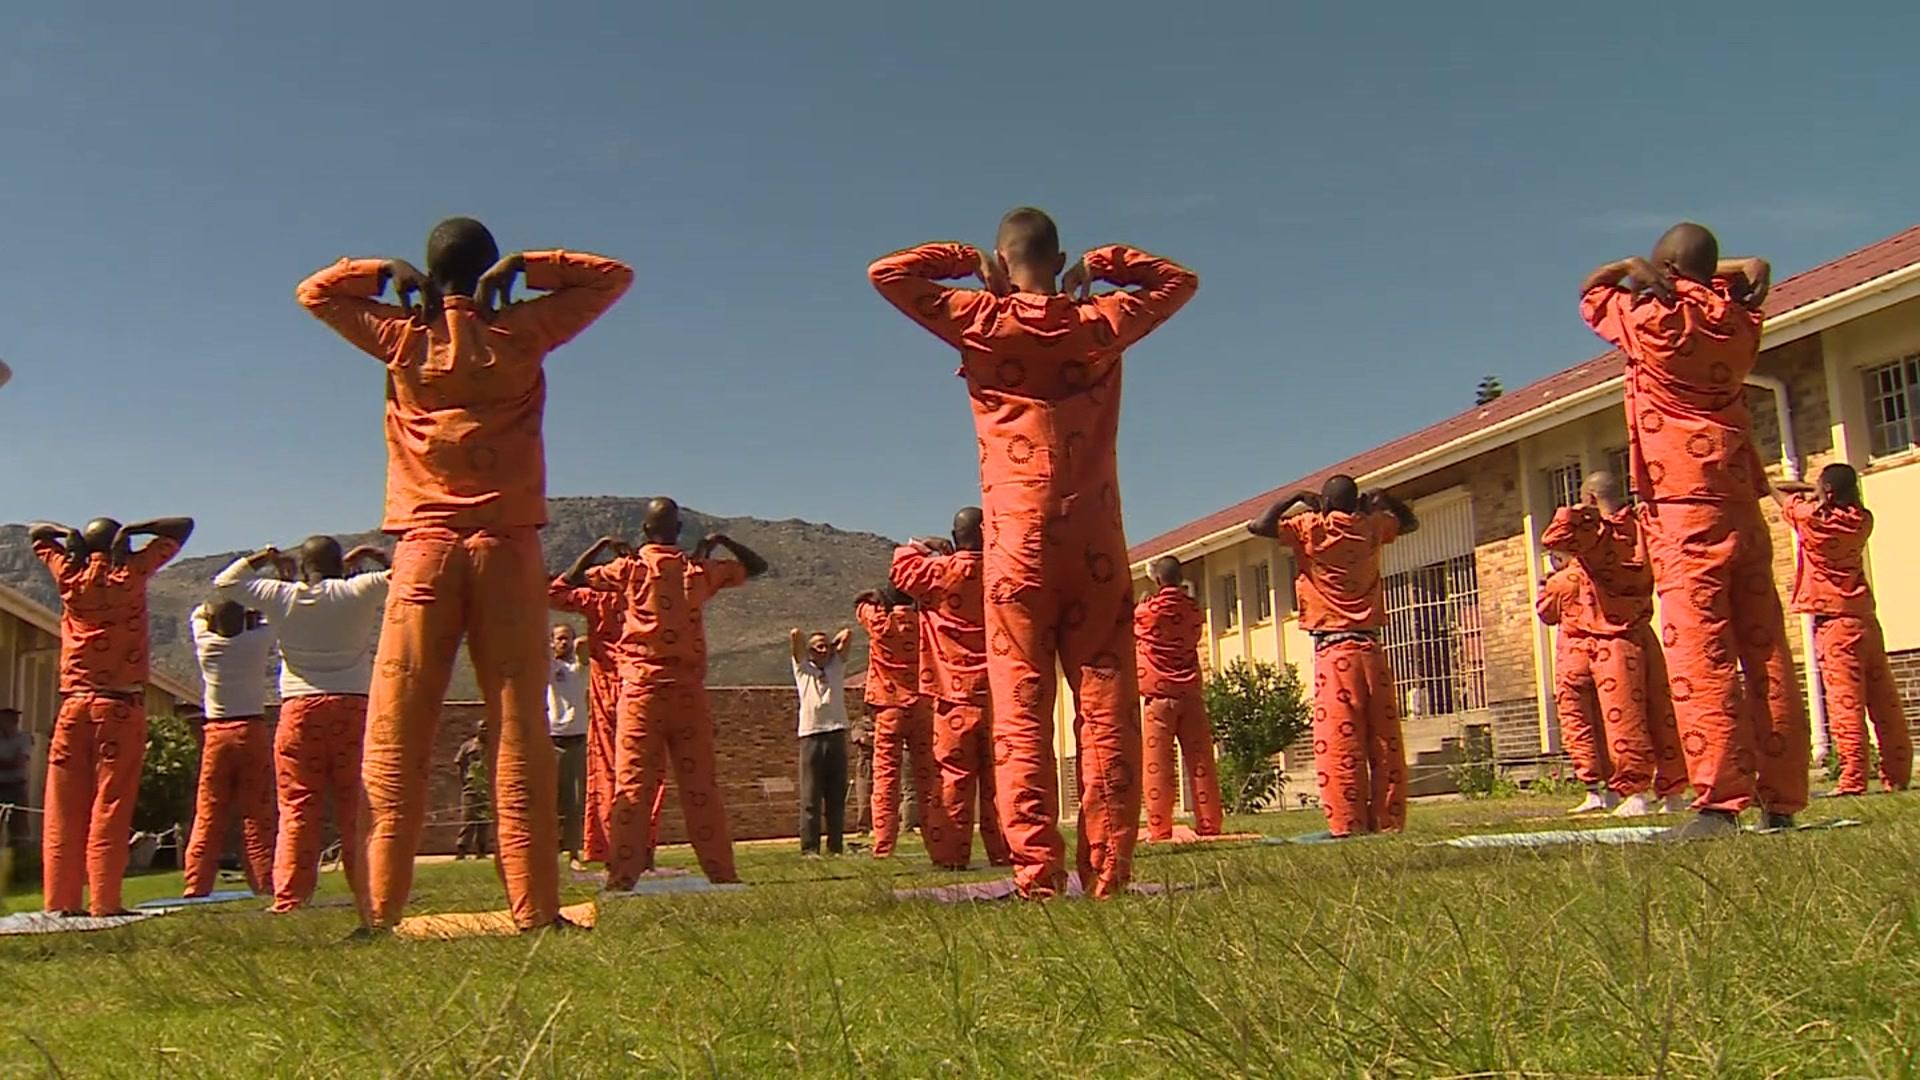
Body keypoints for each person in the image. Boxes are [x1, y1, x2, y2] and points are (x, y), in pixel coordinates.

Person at [297, 217, 632, 931]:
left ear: (428, 272)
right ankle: (535, 907)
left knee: (396, 732)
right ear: (488, 273)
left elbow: (314, 294)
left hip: (424, 549)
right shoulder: (521, 332)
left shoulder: (401, 336)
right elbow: (612, 276)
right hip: (508, 550)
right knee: (520, 733)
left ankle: (379, 912)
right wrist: (530, 267)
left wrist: (381, 274)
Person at [870, 208, 1198, 898]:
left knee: (1019, 707)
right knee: (1107, 701)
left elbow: (888, 274)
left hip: (1015, 541)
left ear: (1000, 256)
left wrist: (968, 263)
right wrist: (1103, 264)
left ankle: (1037, 874)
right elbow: (1177, 282)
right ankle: (1109, 871)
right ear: (1061, 257)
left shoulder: (980, 318)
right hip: (1096, 539)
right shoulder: (1100, 321)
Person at [1579, 223, 1810, 836]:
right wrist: (1740, 264)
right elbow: (1737, 276)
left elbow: (1590, 293)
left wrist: (1631, 266)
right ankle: (1781, 798)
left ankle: (1718, 801)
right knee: (1764, 649)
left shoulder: (1652, 320)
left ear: (1660, 270)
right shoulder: (1737, 321)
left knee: (1699, 654)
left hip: (1683, 504)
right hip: (1739, 498)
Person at [567, 498, 768, 888]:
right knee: (701, 788)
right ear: (679, 532)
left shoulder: (628, 569)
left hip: (641, 691)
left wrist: (602, 547)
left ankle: (622, 878)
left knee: (632, 787)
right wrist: (723, 540)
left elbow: (572, 579)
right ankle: (722, 876)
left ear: (644, 532)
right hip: (688, 692)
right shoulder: (696, 571)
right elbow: (758, 567)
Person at [25, 515, 193, 915]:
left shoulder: (69, 574)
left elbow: (37, 533)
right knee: (110, 805)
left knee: (63, 809)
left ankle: (60, 901)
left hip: (73, 706)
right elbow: (183, 526)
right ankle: (104, 901)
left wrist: (70, 538)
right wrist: (133, 533)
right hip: (118, 705)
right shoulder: (130, 573)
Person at [215, 539, 389, 912]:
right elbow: (407, 579)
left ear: (303, 566)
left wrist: (265, 558)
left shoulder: (282, 596)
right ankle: (371, 892)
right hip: (352, 706)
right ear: (340, 564)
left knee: (297, 806)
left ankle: (291, 897)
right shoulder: (358, 588)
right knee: (356, 807)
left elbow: (226, 584)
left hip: (300, 709)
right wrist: (375, 558)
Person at [1248, 478, 1416, 838]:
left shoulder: (1312, 528)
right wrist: (1385, 500)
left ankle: (1346, 822)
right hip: (1371, 648)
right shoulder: (1371, 527)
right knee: (1384, 739)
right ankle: (1389, 821)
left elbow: (1258, 526)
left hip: (1333, 650)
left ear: (1323, 503)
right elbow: (1410, 522)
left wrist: (1293, 496)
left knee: (1339, 741)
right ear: (1356, 502)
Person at [1540, 472, 1690, 817]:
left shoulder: (1596, 535)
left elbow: (1555, 537)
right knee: (1659, 715)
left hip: (1608, 639)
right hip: (1642, 631)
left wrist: (1577, 512)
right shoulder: (1644, 524)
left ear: (1591, 500)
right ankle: (1673, 792)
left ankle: (1634, 792)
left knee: (1623, 719)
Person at [1772, 464, 1912, 796]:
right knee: (1884, 702)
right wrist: (1825, 490)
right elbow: (1823, 496)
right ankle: (1898, 770)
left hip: (1834, 623)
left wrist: (1812, 490)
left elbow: (1778, 493)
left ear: (1828, 493)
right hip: (1865, 619)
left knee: (1845, 704)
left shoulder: (1815, 522)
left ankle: (1852, 777)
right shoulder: (1863, 520)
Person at [889, 510, 1011, 871]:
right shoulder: (1000, 572)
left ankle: (950, 855)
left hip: (951, 697)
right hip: (997, 694)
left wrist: (923, 545)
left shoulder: (937, 573)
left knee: (952, 779)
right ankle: (1006, 849)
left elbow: (899, 566)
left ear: (954, 536)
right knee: (1000, 780)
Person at [551, 537, 659, 868]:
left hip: (621, 683)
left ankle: (623, 849)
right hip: (634, 682)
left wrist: (598, 548)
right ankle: (630, 850)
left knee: (614, 769)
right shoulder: (643, 594)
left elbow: (558, 588)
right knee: (639, 769)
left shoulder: (601, 597)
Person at [183, 600, 278, 897]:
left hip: (216, 731)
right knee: (256, 812)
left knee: (209, 811)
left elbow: (196, 613)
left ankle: (196, 884)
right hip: (251, 729)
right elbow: (274, 617)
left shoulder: (207, 644)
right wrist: (255, 616)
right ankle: (264, 880)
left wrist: (214, 612)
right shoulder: (255, 643)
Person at [1134, 557, 1223, 840]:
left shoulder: (1147, 611)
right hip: (1190, 693)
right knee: (1201, 761)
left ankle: (1160, 826)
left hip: (1159, 696)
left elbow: (1131, 621)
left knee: (1157, 763)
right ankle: (1209, 823)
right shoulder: (1193, 610)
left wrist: (1144, 601)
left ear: (1158, 580)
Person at [853, 584, 940, 859]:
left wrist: (875, 598)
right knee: (927, 779)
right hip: (921, 706)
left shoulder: (879, 621)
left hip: (888, 707)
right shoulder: (924, 623)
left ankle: (883, 845)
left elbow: (859, 605)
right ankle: (936, 840)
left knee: (886, 778)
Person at [1535, 552, 1616, 814]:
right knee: (1611, 721)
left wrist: (1543, 588)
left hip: (1572, 653)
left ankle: (1593, 790)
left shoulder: (1560, 581)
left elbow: (1546, 613)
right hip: (1606, 650)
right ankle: (1618, 787)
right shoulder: (1601, 571)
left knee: (1577, 721)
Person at [791, 627, 854, 856]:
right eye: (818, 646)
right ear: (809, 651)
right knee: (811, 796)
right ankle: (810, 848)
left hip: (836, 733)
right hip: (811, 735)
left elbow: (848, 634)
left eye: (826, 645)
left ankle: (835, 847)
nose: (823, 648)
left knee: (836, 796)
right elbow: (795, 635)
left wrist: (832, 647)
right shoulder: (803, 670)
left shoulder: (836, 667)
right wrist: (811, 645)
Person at [547, 624, 591, 868]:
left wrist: (575, 644)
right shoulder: (548, 667)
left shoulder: (578, 667)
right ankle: (549, 853)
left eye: (567, 639)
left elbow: (585, 645)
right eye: (559, 639)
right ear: (551, 642)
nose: (564, 643)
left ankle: (574, 853)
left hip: (576, 739)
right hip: (552, 739)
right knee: (549, 800)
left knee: (573, 802)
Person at [455, 720, 491, 859]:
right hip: (471, 786)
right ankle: (462, 850)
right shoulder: (468, 746)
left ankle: (481, 851)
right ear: (477, 729)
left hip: (487, 787)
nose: (485, 730)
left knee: (484, 820)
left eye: (487, 728)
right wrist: (464, 782)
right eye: (482, 727)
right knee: (468, 819)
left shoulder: (493, 746)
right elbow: (460, 764)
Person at [0, 708, 31, 862]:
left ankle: (22, 864)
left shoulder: (23, 738)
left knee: (19, 827)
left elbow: (19, 762)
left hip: (16, 786)